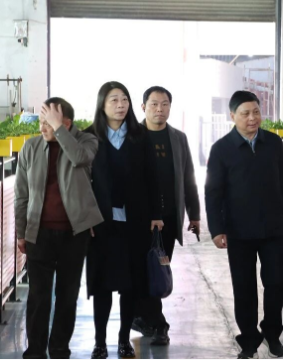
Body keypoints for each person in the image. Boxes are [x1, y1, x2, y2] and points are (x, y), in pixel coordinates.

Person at [206, 91, 283, 359]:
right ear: (232, 116)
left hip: (273, 229)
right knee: (244, 287)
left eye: (256, 112)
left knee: (277, 282)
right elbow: (213, 193)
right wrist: (217, 229)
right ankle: (248, 339)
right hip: (239, 231)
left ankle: (272, 332)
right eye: (245, 113)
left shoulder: (273, 143)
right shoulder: (221, 149)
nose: (252, 118)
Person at [15, 97, 104, 359]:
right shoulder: (31, 147)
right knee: (38, 295)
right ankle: (35, 351)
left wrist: (59, 130)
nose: (42, 127)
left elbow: (79, 158)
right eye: (41, 122)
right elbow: (21, 195)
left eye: (49, 122)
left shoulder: (87, 141)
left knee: (67, 295)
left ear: (66, 123)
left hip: (74, 233)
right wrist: (21, 232)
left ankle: (59, 349)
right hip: (39, 232)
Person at [85, 82, 162, 359]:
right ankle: (99, 342)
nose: (121, 105)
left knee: (131, 285)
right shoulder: (90, 137)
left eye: (124, 99)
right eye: (114, 100)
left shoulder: (140, 137)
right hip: (101, 224)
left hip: (135, 222)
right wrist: (85, 218)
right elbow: (81, 183)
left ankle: (123, 340)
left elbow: (153, 177)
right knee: (102, 285)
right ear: (102, 104)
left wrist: (156, 214)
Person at [132, 86, 201, 345]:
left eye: (164, 104)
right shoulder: (132, 137)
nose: (159, 109)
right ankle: (157, 323)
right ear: (143, 107)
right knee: (140, 271)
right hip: (139, 218)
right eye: (153, 104)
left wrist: (194, 214)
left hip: (169, 219)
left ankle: (148, 319)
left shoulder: (178, 138)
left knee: (157, 270)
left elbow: (188, 177)